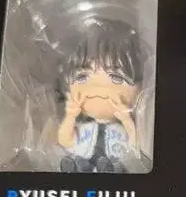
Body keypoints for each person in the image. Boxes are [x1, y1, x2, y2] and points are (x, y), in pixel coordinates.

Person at [57, 20, 144, 173]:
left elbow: (134, 145)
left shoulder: (120, 130)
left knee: (117, 166)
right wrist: (70, 116)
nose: (97, 88)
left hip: (115, 168)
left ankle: (109, 170)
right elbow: (65, 141)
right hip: (83, 167)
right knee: (78, 161)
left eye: (116, 78)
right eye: (82, 77)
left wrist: (126, 120)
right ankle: (75, 167)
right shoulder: (82, 128)